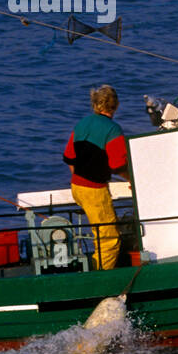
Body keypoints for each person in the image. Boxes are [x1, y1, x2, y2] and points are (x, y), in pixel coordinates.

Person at [62, 85, 128, 271]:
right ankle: (102, 279)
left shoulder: (81, 124)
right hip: (95, 191)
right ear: (115, 105)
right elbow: (117, 165)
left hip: (77, 187)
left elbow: (69, 157)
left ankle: (96, 267)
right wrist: (129, 178)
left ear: (94, 104)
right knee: (109, 240)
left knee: (99, 233)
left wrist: (80, 177)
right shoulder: (113, 129)